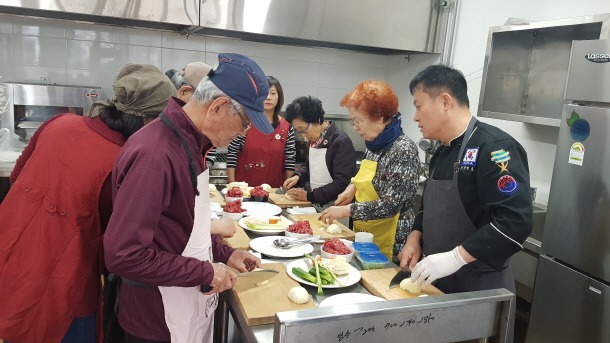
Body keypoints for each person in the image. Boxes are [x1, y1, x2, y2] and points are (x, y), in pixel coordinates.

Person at [0, 64, 176, 343]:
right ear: (147, 121)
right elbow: (121, 244)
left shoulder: (58, 123)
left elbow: (17, 178)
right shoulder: (125, 160)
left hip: (11, 251)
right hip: (65, 278)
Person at [104, 53, 271, 343]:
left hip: (186, 307)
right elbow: (124, 255)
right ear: (218, 107)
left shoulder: (193, 145)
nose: (243, 134)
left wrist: (225, 254)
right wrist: (204, 271)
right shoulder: (155, 154)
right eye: (245, 124)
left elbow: (181, 228)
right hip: (155, 319)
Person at [399, 65, 533, 343]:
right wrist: (415, 237)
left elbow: (515, 222)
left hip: (479, 291)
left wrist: (455, 258)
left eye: (419, 106)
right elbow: (430, 208)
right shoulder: (442, 152)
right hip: (437, 285)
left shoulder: (495, 148)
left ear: (445, 102)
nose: (415, 117)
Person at [321, 80, 420, 264]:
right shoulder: (374, 144)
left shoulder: (402, 150)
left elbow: (391, 205)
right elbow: (367, 176)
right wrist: (352, 187)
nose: (355, 127)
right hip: (367, 233)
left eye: (358, 120)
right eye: (353, 121)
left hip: (392, 238)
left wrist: (347, 210)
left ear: (380, 117)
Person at [165, 62, 236, 239]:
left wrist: (222, 253)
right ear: (184, 92)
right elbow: (163, 227)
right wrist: (212, 228)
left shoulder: (196, 140)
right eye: (200, 97)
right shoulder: (160, 148)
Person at [282, 96, 357, 209]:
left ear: (317, 120)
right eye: (299, 131)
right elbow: (310, 166)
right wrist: (298, 176)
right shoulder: (315, 140)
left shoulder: (340, 141)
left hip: (337, 207)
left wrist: (310, 196)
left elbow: (342, 182)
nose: (303, 135)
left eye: (303, 130)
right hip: (317, 204)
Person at [226, 76, 296, 188]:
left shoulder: (286, 127)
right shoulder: (245, 122)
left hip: (275, 190)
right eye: (264, 93)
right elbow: (232, 154)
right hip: (245, 189)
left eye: (273, 93)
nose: (268, 97)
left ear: (279, 97)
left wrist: (286, 189)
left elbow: (290, 159)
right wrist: (232, 185)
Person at [166, 64, 217, 170]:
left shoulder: (203, 126)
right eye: (205, 97)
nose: (210, 107)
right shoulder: (165, 130)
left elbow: (210, 154)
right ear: (184, 92)